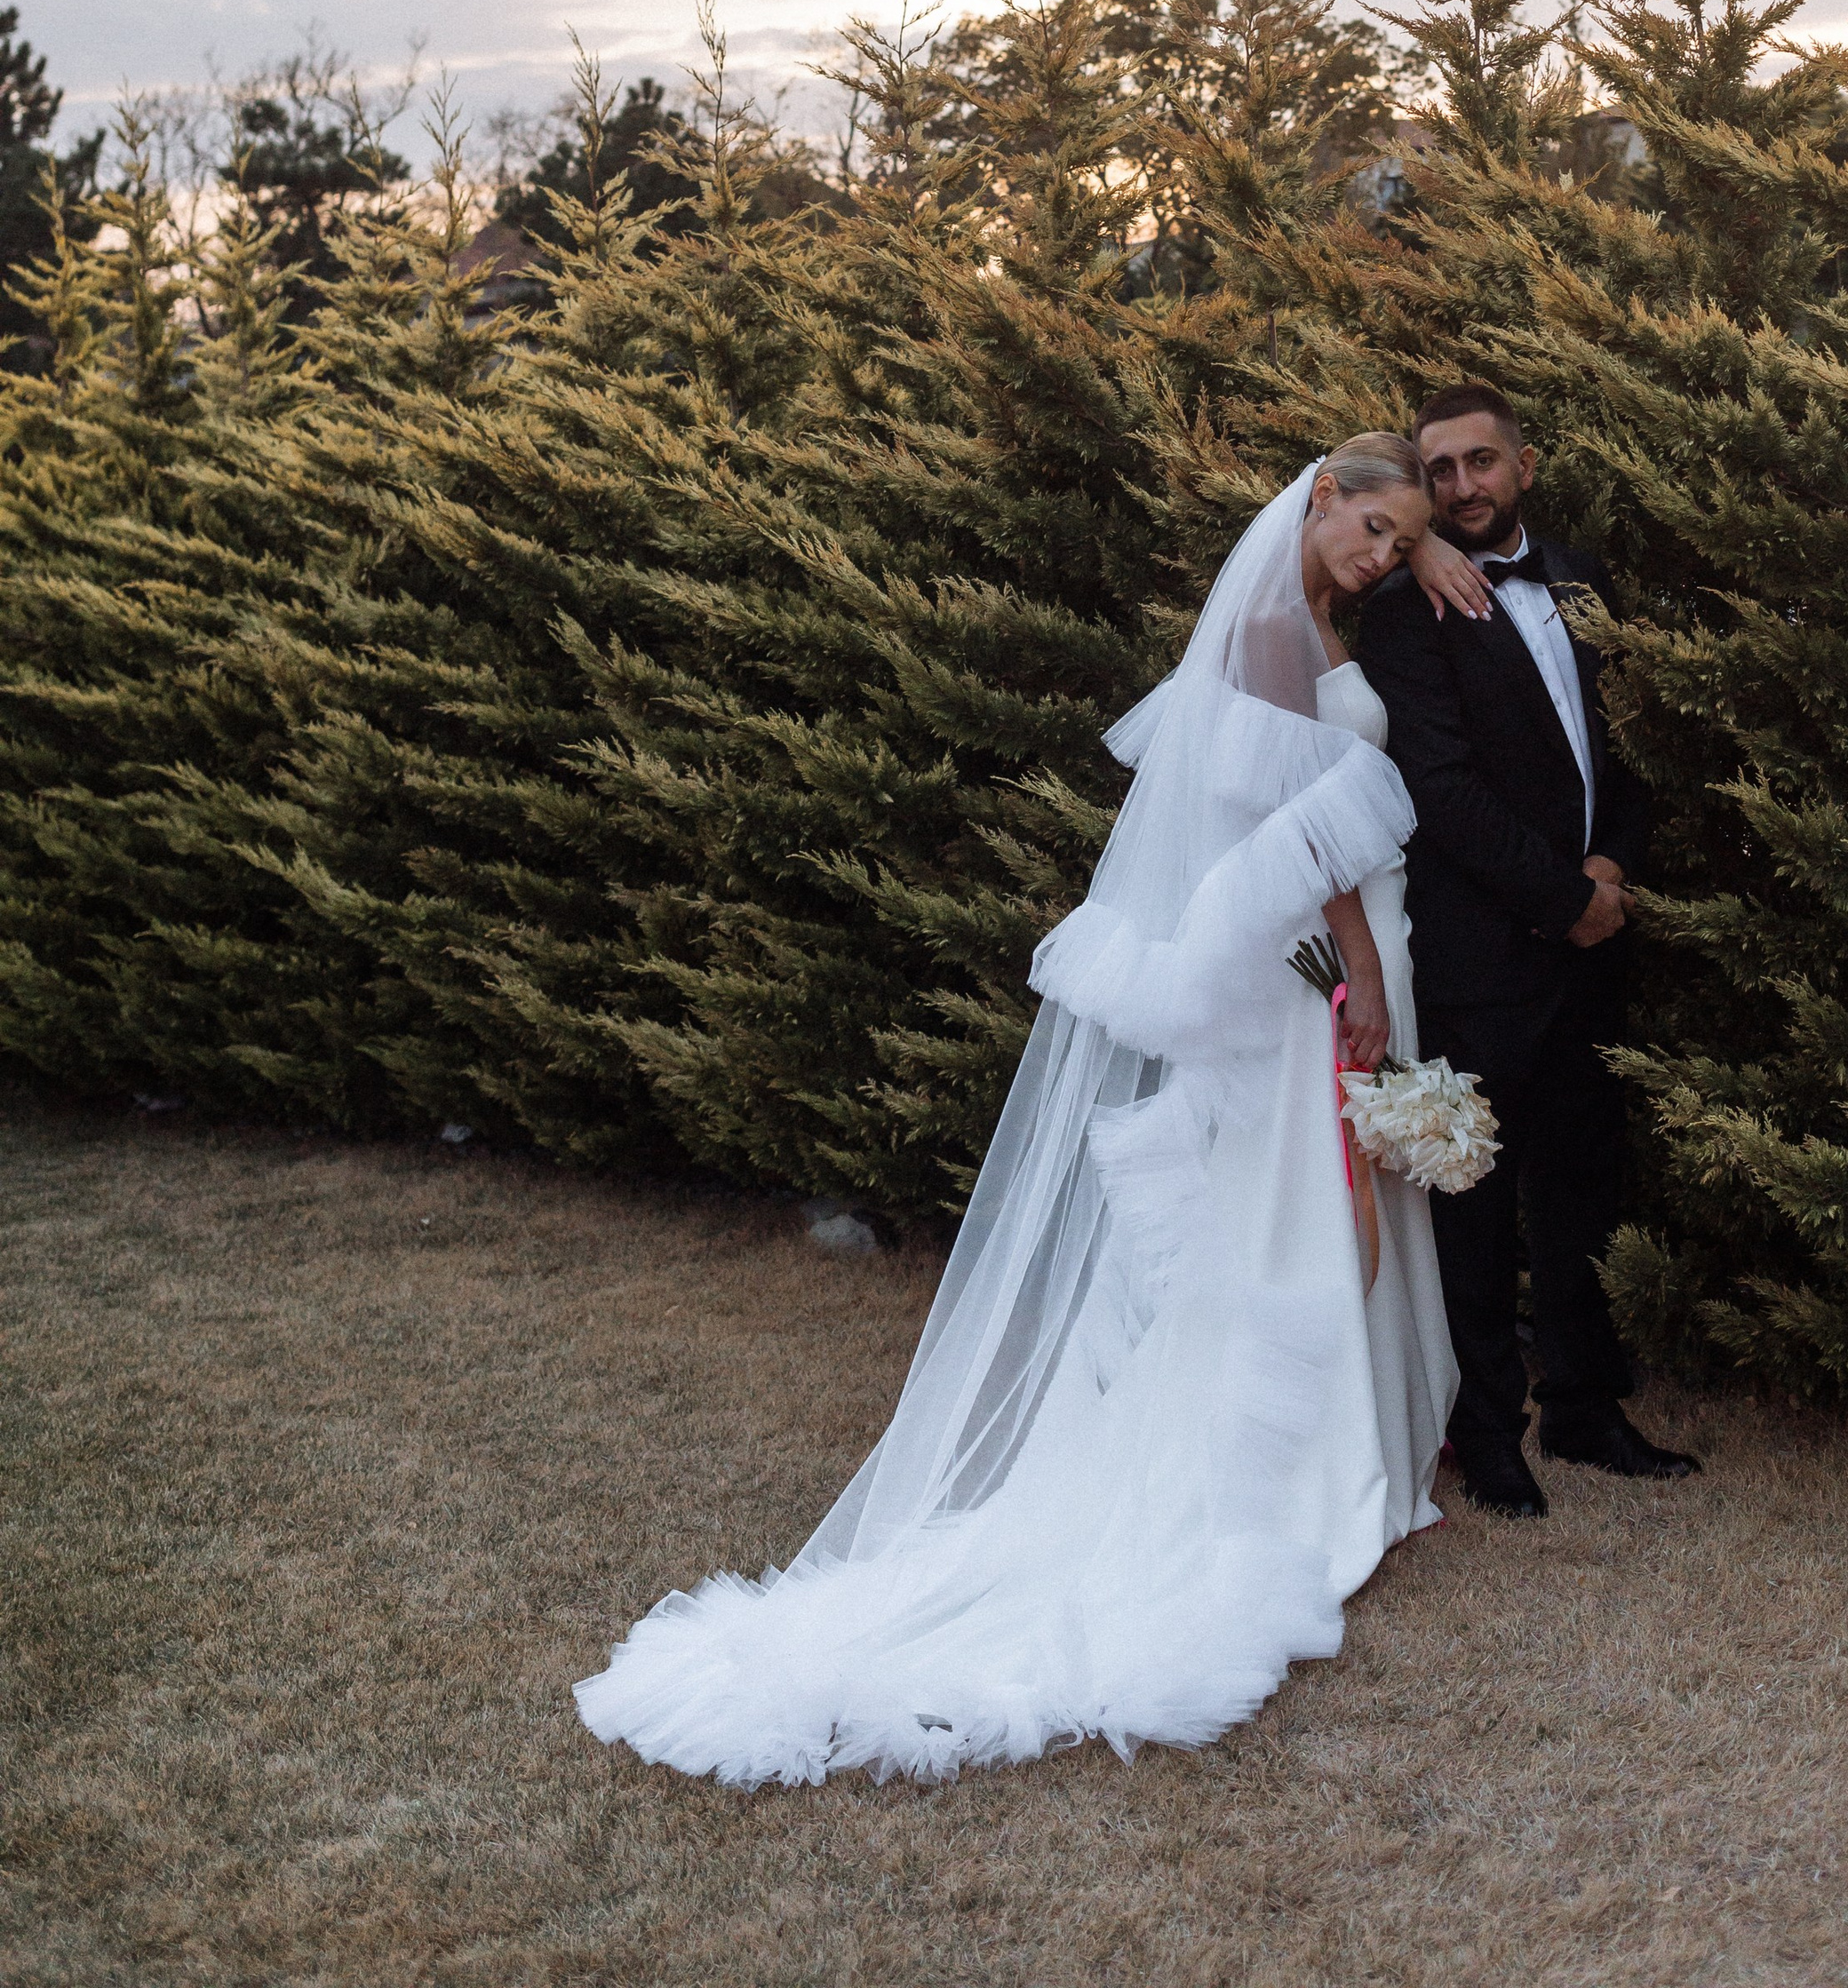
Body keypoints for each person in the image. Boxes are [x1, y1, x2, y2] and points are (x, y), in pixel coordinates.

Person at [576, 437, 1470, 1785]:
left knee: (1303, 1203)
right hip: (1312, 979)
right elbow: (1313, 834)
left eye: (1406, 542)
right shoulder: (1280, 640)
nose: (1384, 557)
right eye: (1377, 529)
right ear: (1320, 499)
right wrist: (1357, 981)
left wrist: (1435, 546)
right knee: (1304, 1205)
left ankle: (1354, 1455)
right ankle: (1307, 1474)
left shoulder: (1302, 622)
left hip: (1307, 971)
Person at [1358, 383, 1700, 1516]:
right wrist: (1562, 897)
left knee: (1582, 1185)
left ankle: (1588, 1410)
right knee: (1470, 1203)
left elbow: (1634, 742)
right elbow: (1439, 790)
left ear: (1525, 465)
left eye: (1479, 463)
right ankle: (1488, 1433)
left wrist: (1614, 869)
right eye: (1438, 469)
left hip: (1592, 940)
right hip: (1479, 950)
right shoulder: (1406, 613)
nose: (1460, 486)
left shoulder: (1586, 580)